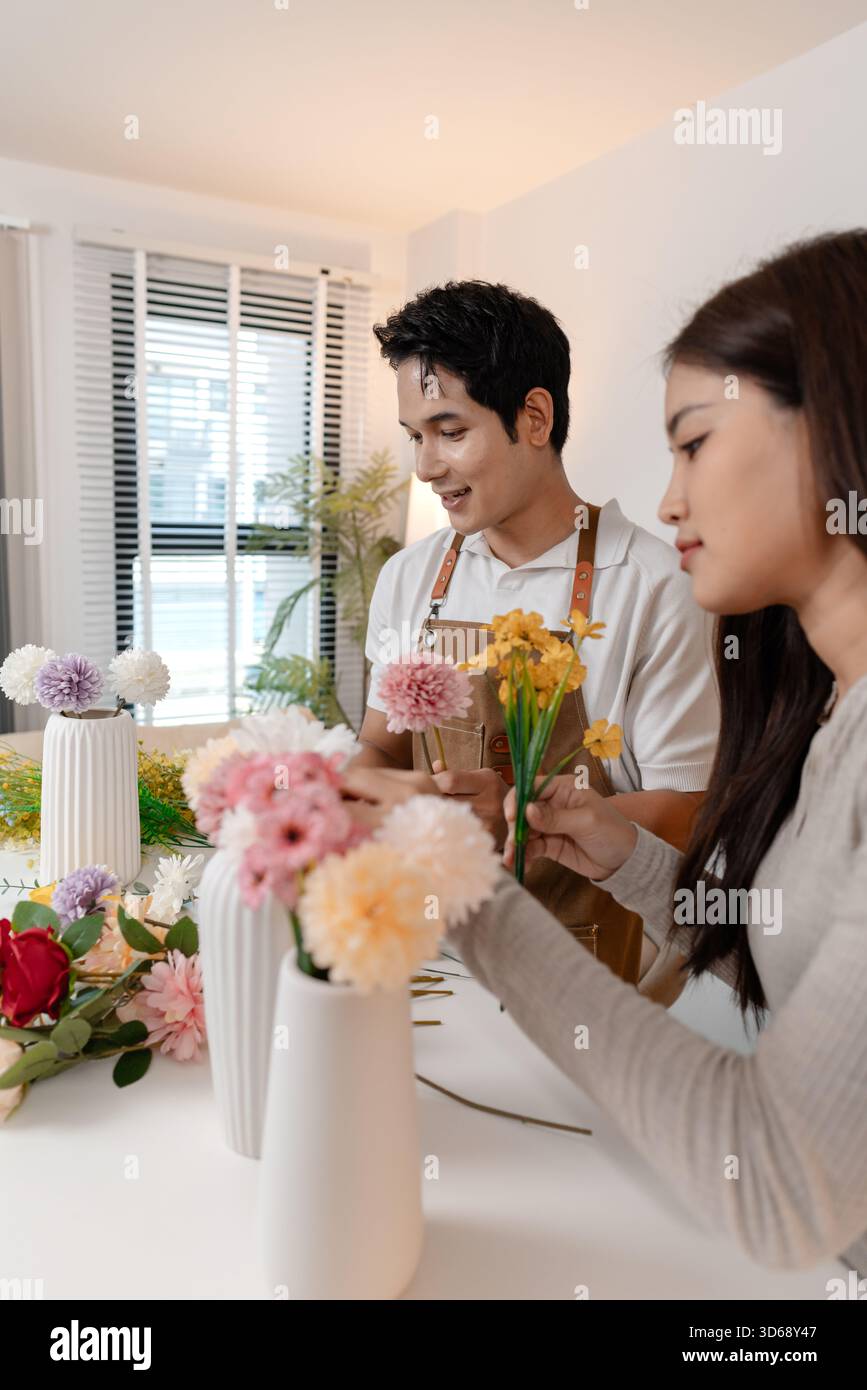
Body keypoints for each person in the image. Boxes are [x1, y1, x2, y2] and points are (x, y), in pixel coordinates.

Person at [344, 229, 867, 1275]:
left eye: (694, 443)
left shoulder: (656, 585)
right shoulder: (830, 713)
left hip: (619, 1008)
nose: (670, 499)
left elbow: (777, 1184)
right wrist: (618, 852)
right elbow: (768, 940)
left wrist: (472, 878)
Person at [356, 281, 719, 994]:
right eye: (415, 437)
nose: (425, 467)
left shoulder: (652, 585)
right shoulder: (410, 578)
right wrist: (356, 793)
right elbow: (379, 745)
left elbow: (686, 811)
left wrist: (518, 813)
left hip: (591, 964)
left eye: (450, 431)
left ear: (533, 416)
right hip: (429, 951)